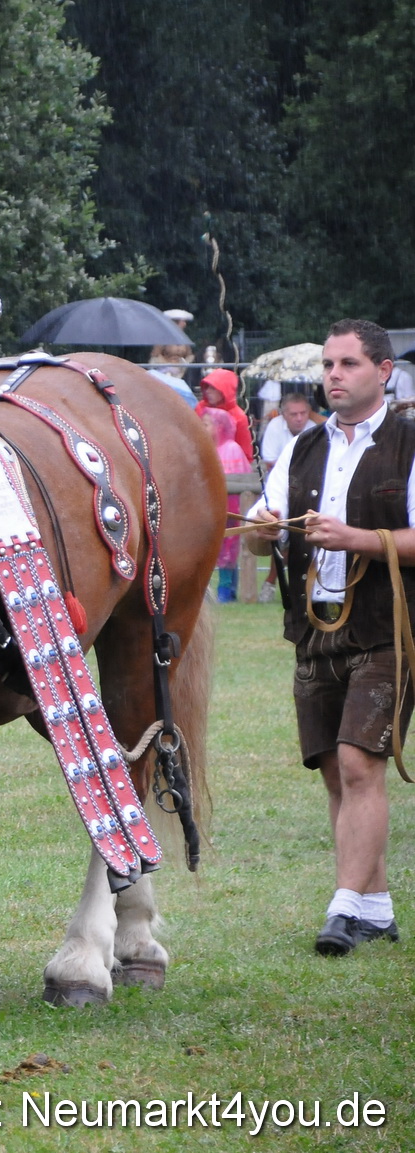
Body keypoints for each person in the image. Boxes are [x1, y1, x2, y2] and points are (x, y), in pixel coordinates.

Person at [246, 318, 410, 957]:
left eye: (347, 364)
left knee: (358, 761)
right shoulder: (305, 446)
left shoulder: (409, 441)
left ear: (382, 372)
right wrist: (264, 529)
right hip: (314, 627)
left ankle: (341, 909)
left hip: (391, 629)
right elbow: (268, 530)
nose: (333, 376)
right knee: (336, 775)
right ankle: (376, 905)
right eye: (329, 365)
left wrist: (358, 539)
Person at [204, 409, 251, 602]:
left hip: (231, 509)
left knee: (229, 550)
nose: (202, 427)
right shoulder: (206, 449)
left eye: (206, 424)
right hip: (210, 508)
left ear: (220, 427)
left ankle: (227, 589)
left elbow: (239, 478)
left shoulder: (231, 448)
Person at [196, 368, 254, 463]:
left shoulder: (239, 417)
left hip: (229, 467)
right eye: (207, 387)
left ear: (225, 390)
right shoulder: (200, 408)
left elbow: (246, 454)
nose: (207, 391)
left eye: (213, 388)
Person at [260, 388, 316, 467]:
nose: (299, 418)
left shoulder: (314, 429)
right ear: (283, 414)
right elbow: (270, 461)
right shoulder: (274, 426)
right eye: (294, 414)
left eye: (303, 413)